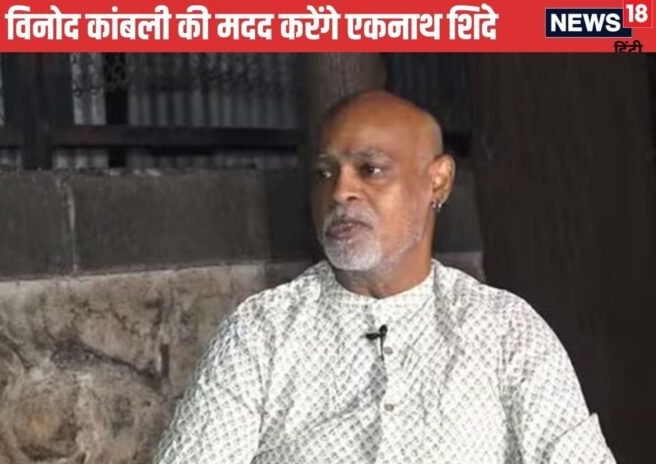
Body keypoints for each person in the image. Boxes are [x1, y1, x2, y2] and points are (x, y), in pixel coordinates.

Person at [153, 90, 615, 463]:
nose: (340, 191)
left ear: (438, 181)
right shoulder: (260, 333)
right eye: (324, 173)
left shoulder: (505, 330)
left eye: (370, 170)